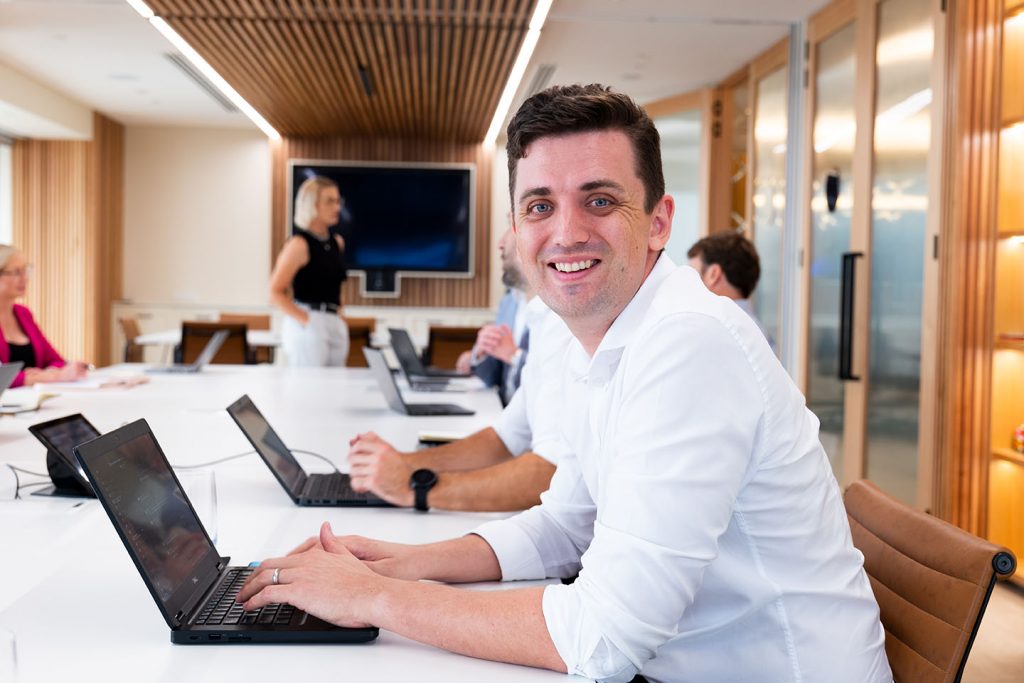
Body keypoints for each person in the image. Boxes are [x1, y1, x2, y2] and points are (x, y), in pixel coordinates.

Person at [238, 85, 891, 682]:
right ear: (517, 229)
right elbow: (563, 528)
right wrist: (397, 561)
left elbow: (603, 638)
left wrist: (372, 598)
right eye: (540, 206)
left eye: (600, 201)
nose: (567, 232)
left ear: (659, 221)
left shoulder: (689, 342)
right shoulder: (602, 341)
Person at [347, 288, 571, 512]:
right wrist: (402, 464)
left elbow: (552, 471)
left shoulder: (562, 323)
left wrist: (416, 489)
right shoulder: (543, 318)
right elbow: (504, 437)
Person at [270, 175, 350, 367]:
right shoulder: (299, 244)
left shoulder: (337, 243)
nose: (337, 208)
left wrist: (340, 316)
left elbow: (336, 285)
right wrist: (307, 321)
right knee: (310, 384)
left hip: (334, 321)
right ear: (312, 205)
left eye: (338, 201)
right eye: (330, 201)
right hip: (308, 320)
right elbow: (274, 292)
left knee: (337, 383)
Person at [456, 226, 530, 404]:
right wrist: (479, 355)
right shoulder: (509, 301)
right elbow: (493, 376)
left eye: (509, 227)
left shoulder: (558, 307)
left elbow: (555, 381)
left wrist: (514, 355)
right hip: (503, 410)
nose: (500, 243)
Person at [0, 244, 88, 387]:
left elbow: (56, 360)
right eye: (16, 272)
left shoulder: (23, 313)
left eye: (26, 270)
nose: (25, 278)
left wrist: (50, 372)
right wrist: (40, 378)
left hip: (32, 398)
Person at [687, 231, 776, 349]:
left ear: (713, 274)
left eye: (692, 274)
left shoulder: (715, 331)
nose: (687, 284)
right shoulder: (758, 332)